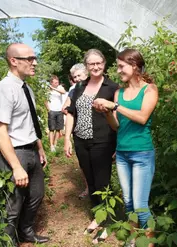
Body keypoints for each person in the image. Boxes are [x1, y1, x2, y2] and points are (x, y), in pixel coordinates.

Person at [93, 48, 158, 247]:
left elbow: (142, 118)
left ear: (134, 66)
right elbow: (116, 126)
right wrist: (106, 112)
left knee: (140, 205)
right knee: (128, 201)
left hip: (142, 154)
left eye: (122, 66)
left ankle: (149, 242)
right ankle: (132, 239)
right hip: (122, 153)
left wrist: (115, 107)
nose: (118, 70)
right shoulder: (118, 93)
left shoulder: (149, 89)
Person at [0, 43, 49, 246]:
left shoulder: (26, 87)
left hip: (31, 149)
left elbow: (30, 121)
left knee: (37, 194)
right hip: (15, 154)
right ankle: (8, 242)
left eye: (34, 58)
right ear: (14, 61)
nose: (35, 63)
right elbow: (0, 132)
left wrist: (39, 147)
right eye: (30, 59)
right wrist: (16, 166)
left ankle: (26, 231)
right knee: (13, 205)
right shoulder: (2, 90)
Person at [64, 49, 119, 242]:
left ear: (104, 64)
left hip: (103, 141)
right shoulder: (79, 87)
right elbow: (71, 113)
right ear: (86, 66)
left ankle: (109, 221)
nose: (95, 67)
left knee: (102, 182)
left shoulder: (112, 87)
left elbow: (118, 119)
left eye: (99, 63)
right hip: (81, 141)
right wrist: (67, 139)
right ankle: (98, 216)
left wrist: (117, 145)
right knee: (90, 180)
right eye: (91, 64)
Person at [62, 63, 90, 199]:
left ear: (87, 74)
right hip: (79, 131)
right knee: (84, 163)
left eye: (80, 75)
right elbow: (65, 108)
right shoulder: (74, 91)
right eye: (75, 77)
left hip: (98, 132)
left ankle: (104, 191)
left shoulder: (97, 86)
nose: (78, 78)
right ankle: (88, 187)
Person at [45, 75, 66, 152]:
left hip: (59, 111)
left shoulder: (60, 87)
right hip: (52, 111)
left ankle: (55, 144)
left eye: (57, 82)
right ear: (51, 82)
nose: (57, 83)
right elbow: (45, 100)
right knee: (51, 129)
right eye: (55, 82)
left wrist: (54, 88)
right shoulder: (47, 89)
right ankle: (51, 146)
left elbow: (63, 92)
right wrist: (48, 109)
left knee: (58, 129)